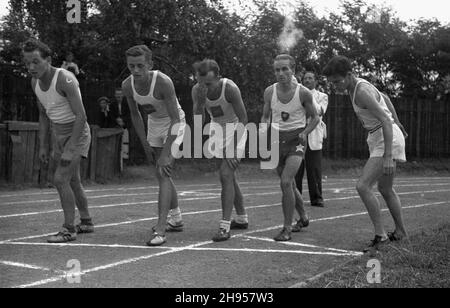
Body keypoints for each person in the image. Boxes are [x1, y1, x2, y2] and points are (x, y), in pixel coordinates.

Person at [323, 55, 408, 253]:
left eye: (337, 81)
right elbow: (385, 98)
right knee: (385, 189)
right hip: (381, 136)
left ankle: (381, 236)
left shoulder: (361, 91)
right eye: (331, 83)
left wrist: (387, 155)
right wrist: (398, 121)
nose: (335, 86)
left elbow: (385, 121)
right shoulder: (358, 87)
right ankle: (401, 232)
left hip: (385, 137)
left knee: (363, 186)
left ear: (349, 75)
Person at [23, 39, 93, 243]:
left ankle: (69, 229)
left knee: (60, 179)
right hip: (58, 132)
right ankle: (87, 222)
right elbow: (43, 115)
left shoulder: (65, 79)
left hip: (77, 131)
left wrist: (71, 148)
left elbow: (81, 116)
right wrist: (44, 145)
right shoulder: (34, 82)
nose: (31, 67)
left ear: (49, 60)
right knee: (73, 180)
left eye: (36, 62)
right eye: (27, 63)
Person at [122, 45, 186, 246]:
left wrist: (166, 152)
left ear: (150, 64)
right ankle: (175, 219)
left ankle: (161, 228)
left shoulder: (163, 82)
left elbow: (176, 118)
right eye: (131, 66)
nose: (136, 70)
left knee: (164, 169)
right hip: (154, 125)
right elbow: (135, 114)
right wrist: (144, 143)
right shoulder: (127, 85)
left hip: (175, 122)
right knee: (161, 173)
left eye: (140, 65)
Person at [261, 54, 320, 241]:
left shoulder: (303, 93)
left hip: (297, 139)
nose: (281, 73)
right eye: (277, 70)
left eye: (285, 69)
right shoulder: (269, 92)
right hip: (277, 139)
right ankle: (303, 217)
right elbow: (265, 116)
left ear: (293, 70)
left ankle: (286, 228)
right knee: (291, 185)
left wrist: (305, 132)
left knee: (286, 182)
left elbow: (315, 117)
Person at [192, 59, 249, 242]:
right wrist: (200, 103)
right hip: (217, 129)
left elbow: (243, 119)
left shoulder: (230, 88)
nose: (204, 87)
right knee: (229, 176)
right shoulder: (197, 91)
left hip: (236, 128)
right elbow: (199, 122)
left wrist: (233, 148)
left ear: (218, 77)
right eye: (200, 83)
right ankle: (241, 218)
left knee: (225, 174)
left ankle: (224, 226)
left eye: (208, 83)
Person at [295, 71, 329, 208]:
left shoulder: (322, 96)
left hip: (314, 134)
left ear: (315, 81)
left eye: (310, 78)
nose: (307, 80)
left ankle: (317, 198)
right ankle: (295, 197)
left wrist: (308, 95)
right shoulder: (297, 95)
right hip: (299, 133)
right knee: (297, 168)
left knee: (314, 169)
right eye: (305, 79)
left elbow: (319, 111)